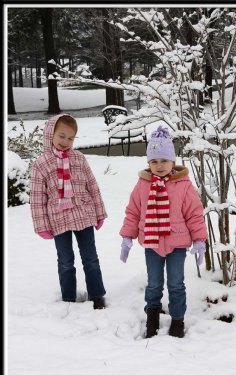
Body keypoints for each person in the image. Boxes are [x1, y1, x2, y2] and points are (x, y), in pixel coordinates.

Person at [119, 126, 208, 338]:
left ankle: (177, 320)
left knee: (176, 284)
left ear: (172, 161)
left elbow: (194, 214)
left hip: (177, 244)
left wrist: (199, 240)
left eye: (164, 161)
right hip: (151, 243)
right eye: (154, 161)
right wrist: (127, 236)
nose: (159, 166)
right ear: (148, 163)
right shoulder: (143, 185)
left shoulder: (184, 186)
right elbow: (133, 211)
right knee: (154, 284)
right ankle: (152, 316)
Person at [30, 114, 107, 309]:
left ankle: (97, 295)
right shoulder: (41, 163)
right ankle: (69, 298)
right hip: (59, 218)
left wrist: (99, 212)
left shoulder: (79, 158)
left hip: (83, 214)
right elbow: (38, 198)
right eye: (61, 136)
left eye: (71, 138)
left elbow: (92, 185)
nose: (66, 142)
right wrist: (41, 225)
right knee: (65, 261)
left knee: (91, 258)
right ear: (50, 135)